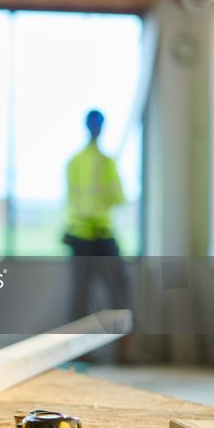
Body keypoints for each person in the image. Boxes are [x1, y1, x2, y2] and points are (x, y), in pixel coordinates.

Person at [63, 109, 131, 326]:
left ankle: (123, 345)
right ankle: (81, 349)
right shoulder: (84, 162)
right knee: (84, 293)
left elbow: (119, 198)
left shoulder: (97, 162)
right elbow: (118, 198)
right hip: (85, 234)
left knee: (115, 289)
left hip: (97, 233)